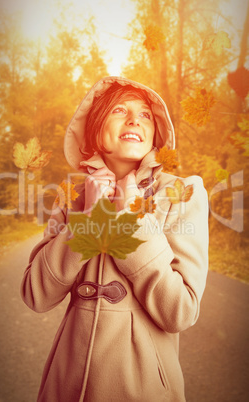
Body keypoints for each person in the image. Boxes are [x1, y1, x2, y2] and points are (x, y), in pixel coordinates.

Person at [21, 76, 209, 402]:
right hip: (66, 385)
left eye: (146, 114)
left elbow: (180, 311)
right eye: (120, 109)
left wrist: (129, 220)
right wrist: (88, 221)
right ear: (95, 126)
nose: (135, 119)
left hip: (144, 387)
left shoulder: (182, 192)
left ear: (155, 135)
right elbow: (35, 295)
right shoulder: (71, 196)